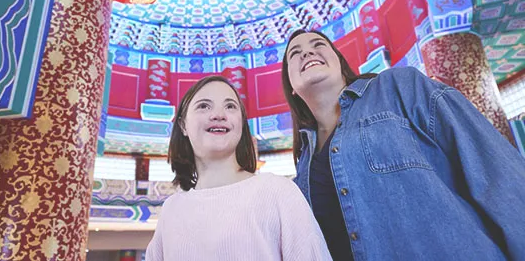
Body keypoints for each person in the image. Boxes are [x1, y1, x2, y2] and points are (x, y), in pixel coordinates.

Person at [281, 29, 525, 261]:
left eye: (318, 45)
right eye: (295, 53)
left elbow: (494, 170)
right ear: (291, 87)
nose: (307, 53)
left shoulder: (399, 86)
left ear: (340, 63)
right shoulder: (303, 167)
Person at [145, 75, 332, 261]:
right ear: (183, 124)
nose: (219, 114)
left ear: (241, 123)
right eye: (203, 106)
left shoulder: (278, 191)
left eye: (230, 106)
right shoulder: (171, 209)